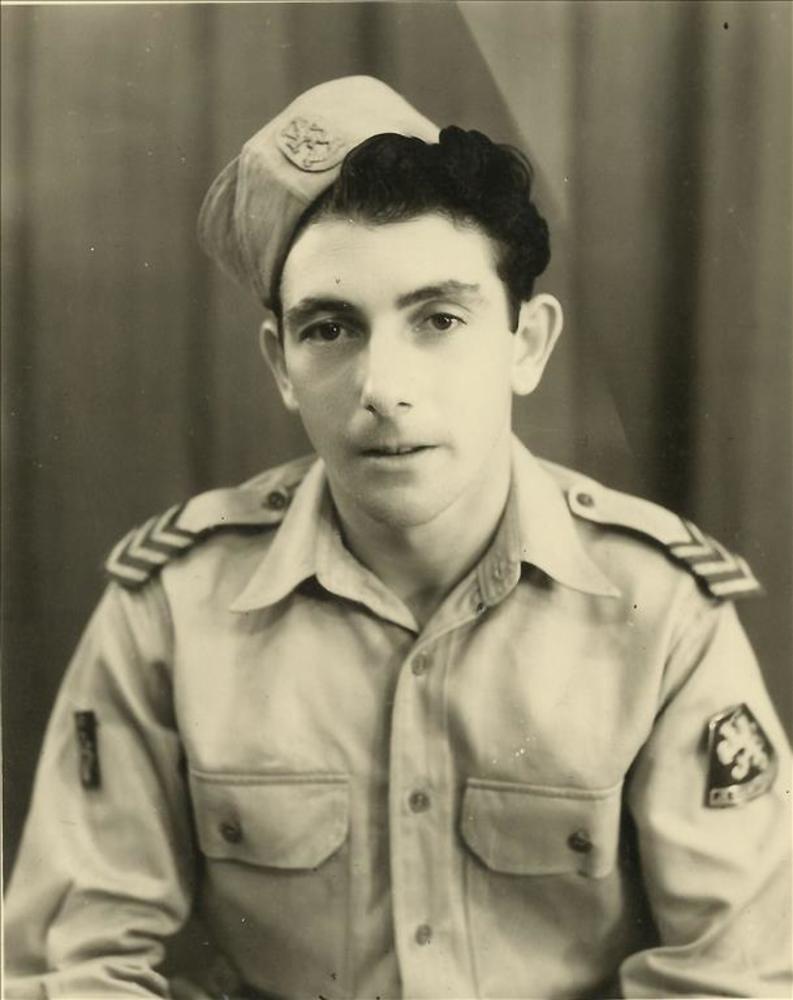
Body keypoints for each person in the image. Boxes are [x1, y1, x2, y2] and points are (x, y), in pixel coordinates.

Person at [4, 75, 791, 1000]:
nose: (381, 387)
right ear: (282, 365)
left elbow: (736, 979)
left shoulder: (660, 610)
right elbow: (72, 967)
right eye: (330, 328)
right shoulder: (172, 607)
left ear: (526, 343)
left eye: (439, 320)